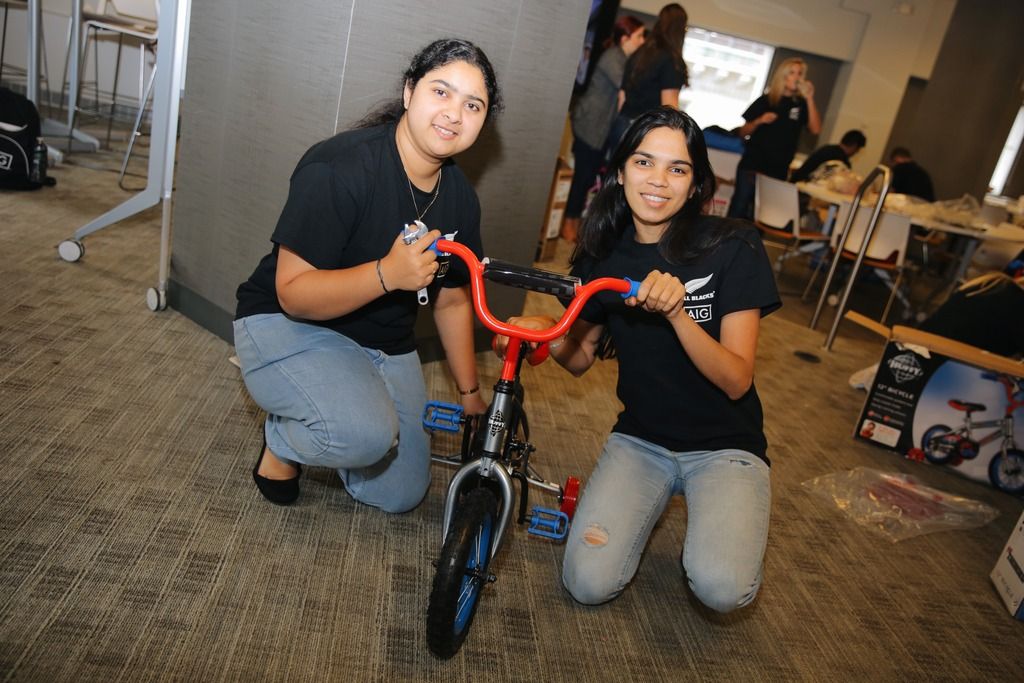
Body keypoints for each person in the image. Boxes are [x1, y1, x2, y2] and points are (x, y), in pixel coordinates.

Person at [497, 107, 780, 613]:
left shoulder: (731, 246)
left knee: (721, 589)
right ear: (621, 170)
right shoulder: (602, 254)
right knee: (586, 583)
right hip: (641, 439)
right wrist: (540, 332)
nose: (658, 181)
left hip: (724, 446)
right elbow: (581, 355)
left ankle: (721, 511)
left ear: (696, 185)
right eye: (644, 162)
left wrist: (677, 314)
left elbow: (737, 380)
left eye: (677, 168)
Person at [232, 39, 501, 510]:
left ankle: (344, 406)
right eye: (441, 92)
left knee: (400, 493)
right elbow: (292, 293)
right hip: (290, 323)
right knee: (362, 436)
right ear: (408, 91)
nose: (454, 114)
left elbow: (452, 299)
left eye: (472, 104)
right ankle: (284, 440)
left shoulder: (460, 198)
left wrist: (471, 393)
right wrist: (386, 274)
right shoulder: (339, 166)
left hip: (383, 343)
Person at [561, 15, 646, 243]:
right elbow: (628, 86)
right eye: (639, 36)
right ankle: (568, 224)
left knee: (587, 178)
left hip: (598, 129)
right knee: (583, 177)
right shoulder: (613, 58)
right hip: (590, 126)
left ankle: (574, 223)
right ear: (625, 37)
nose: (642, 41)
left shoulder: (623, 59)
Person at [727, 57, 821, 220]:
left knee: (764, 216)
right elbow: (743, 133)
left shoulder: (801, 104)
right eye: (792, 73)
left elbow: (815, 129)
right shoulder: (766, 100)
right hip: (753, 165)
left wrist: (810, 98)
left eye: (800, 73)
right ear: (783, 76)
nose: (797, 77)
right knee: (739, 209)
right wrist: (759, 121)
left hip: (778, 169)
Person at [605, 4, 689, 154]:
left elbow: (622, 96)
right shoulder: (671, 60)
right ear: (680, 29)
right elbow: (669, 107)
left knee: (615, 175)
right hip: (643, 131)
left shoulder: (640, 53)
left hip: (622, 125)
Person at [789, 129, 866, 183]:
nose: (856, 152)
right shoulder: (840, 161)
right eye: (858, 150)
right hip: (803, 191)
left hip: (794, 184)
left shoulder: (827, 148)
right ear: (855, 146)